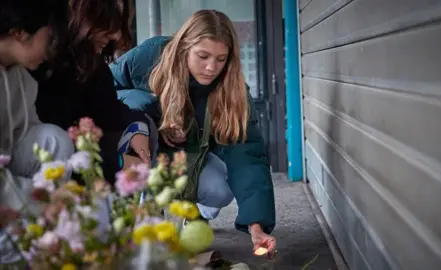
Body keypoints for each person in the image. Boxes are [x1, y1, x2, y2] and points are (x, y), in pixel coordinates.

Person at [111, 10, 277, 257]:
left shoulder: (232, 89)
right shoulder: (151, 55)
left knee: (220, 188)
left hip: (192, 158)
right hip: (144, 152)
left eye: (221, 59)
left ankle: (192, 212)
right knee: (139, 121)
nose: (211, 68)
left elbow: (247, 156)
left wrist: (257, 227)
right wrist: (147, 106)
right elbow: (105, 90)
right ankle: (141, 216)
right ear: (184, 46)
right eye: (203, 56)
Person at [30, 0, 158, 183]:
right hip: (46, 167)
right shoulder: (38, 63)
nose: (116, 34)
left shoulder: (93, 67)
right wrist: (118, 162)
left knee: (146, 126)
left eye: (119, 23)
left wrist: (139, 128)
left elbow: (112, 112)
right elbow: (54, 145)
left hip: (81, 159)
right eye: (106, 20)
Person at [0, 0, 74, 263]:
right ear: (20, 32)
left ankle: (44, 229)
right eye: (49, 36)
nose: (52, 48)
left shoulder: (20, 77)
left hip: (8, 170)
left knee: (54, 139)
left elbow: (27, 130)